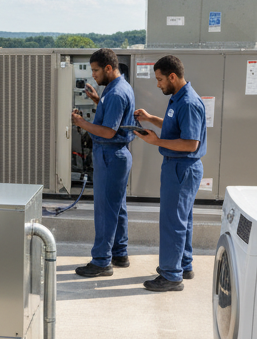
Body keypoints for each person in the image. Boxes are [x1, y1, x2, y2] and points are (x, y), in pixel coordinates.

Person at [133, 54, 207, 293]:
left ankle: (171, 276)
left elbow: (190, 143)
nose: (157, 84)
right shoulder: (179, 98)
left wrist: (156, 142)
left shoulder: (188, 102)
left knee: (172, 221)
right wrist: (150, 119)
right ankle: (183, 265)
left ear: (172, 76)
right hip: (180, 167)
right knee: (182, 220)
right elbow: (176, 125)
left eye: (160, 79)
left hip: (182, 167)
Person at [71, 49, 136, 277]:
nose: (94, 76)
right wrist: (97, 100)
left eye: (96, 70)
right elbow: (113, 116)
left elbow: (108, 132)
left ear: (109, 68)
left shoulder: (117, 92)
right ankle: (119, 253)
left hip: (110, 154)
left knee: (105, 210)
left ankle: (101, 261)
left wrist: (81, 122)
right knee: (117, 207)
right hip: (116, 155)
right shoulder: (116, 88)